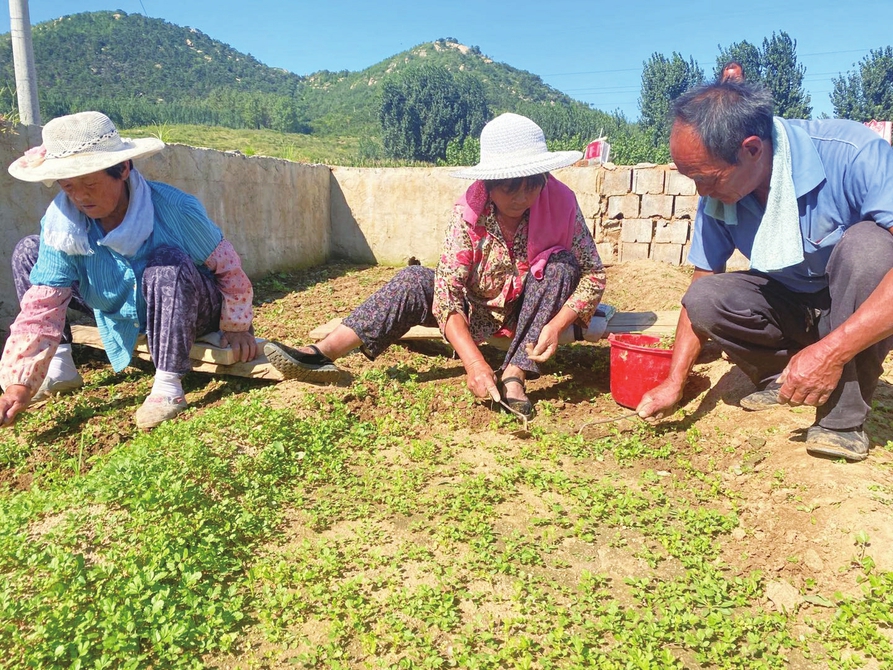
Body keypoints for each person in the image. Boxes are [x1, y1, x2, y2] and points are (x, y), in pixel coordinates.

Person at [264, 113, 606, 419]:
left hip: (529, 311)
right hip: (474, 308)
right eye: (509, 188)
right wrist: (474, 363)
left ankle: (514, 375)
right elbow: (448, 294)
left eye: (532, 186)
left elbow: (593, 274)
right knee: (414, 279)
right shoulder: (468, 214)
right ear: (489, 185)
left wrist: (556, 324)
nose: (522, 198)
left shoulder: (562, 202)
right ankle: (322, 354)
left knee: (560, 266)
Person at [636, 81, 893, 462]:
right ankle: (785, 377)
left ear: (752, 149)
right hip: (793, 303)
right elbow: (703, 279)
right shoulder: (721, 197)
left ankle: (841, 420)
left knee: (869, 247)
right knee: (705, 299)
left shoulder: (852, 153)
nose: (701, 192)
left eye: (707, 178)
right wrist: (674, 382)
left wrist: (830, 352)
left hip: (856, 305)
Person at [1, 111, 257, 429]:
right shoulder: (61, 224)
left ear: (123, 169)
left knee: (166, 264)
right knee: (29, 250)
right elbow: (43, 304)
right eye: (68, 187)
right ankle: (60, 366)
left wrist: (237, 327)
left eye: (90, 184)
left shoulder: (175, 208)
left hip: (187, 306)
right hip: (115, 303)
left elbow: (228, 269)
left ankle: (168, 384)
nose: (80, 197)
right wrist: (19, 381)